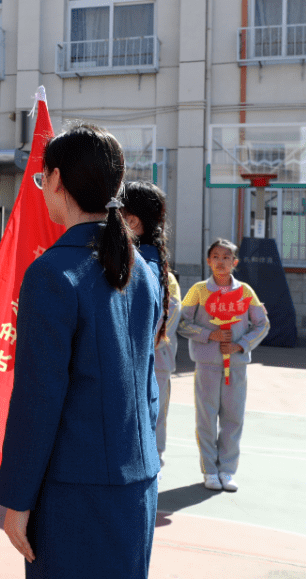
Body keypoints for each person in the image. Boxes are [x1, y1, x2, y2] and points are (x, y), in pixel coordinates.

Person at [0, 124, 162, 578]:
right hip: (138, 482)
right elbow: (148, 386)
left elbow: (38, 398)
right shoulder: (143, 271)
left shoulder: (51, 273)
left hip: (76, 493)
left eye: (40, 179)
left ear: (56, 180)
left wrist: (16, 499)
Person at [178, 238, 269, 492]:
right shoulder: (198, 290)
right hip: (207, 365)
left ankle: (227, 470)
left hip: (236, 366)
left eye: (226, 257)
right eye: (216, 256)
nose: (221, 261)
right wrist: (209, 335)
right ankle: (210, 470)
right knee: (206, 419)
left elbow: (262, 324)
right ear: (208, 261)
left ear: (235, 262)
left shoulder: (246, 292)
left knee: (233, 418)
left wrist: (241, 344)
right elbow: (182, 323)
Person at [121, 181, 182, 467]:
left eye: (113, 212)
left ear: (132, 221)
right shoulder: (149, 262)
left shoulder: (136, 268)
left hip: (135, 380)